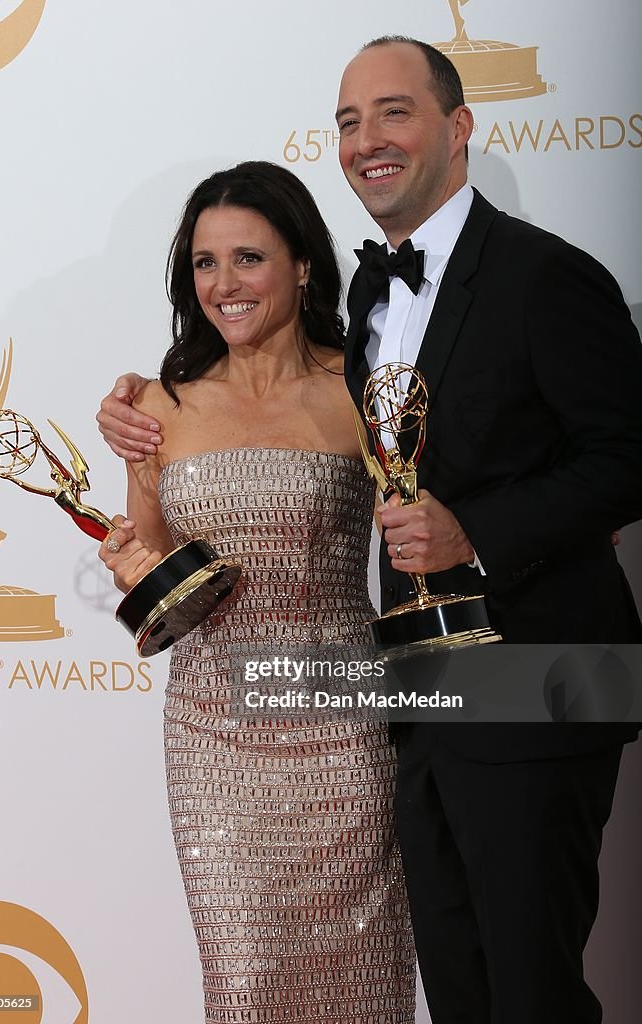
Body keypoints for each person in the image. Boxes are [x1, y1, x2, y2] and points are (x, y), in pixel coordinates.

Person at [97, 39, 642, 1024]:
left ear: (458, 127)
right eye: (348, 121)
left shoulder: (539, 278)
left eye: (393, 113)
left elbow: (620, 458)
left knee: (525, 990)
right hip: (398, 708)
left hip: (515, 687)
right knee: (452, 987)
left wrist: (475, 531)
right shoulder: (371, 322)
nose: (365, 141)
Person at [97, 161, 416, 1023]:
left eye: (248, 258)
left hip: (346, 729)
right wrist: (135, 565)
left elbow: (429, 532)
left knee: (366, 987)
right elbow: (158, 560)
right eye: (204, 264)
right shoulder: (159, 404)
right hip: (215, 738)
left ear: (304, 264)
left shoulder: (363, 389)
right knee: (245, 986)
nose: (223, 285)